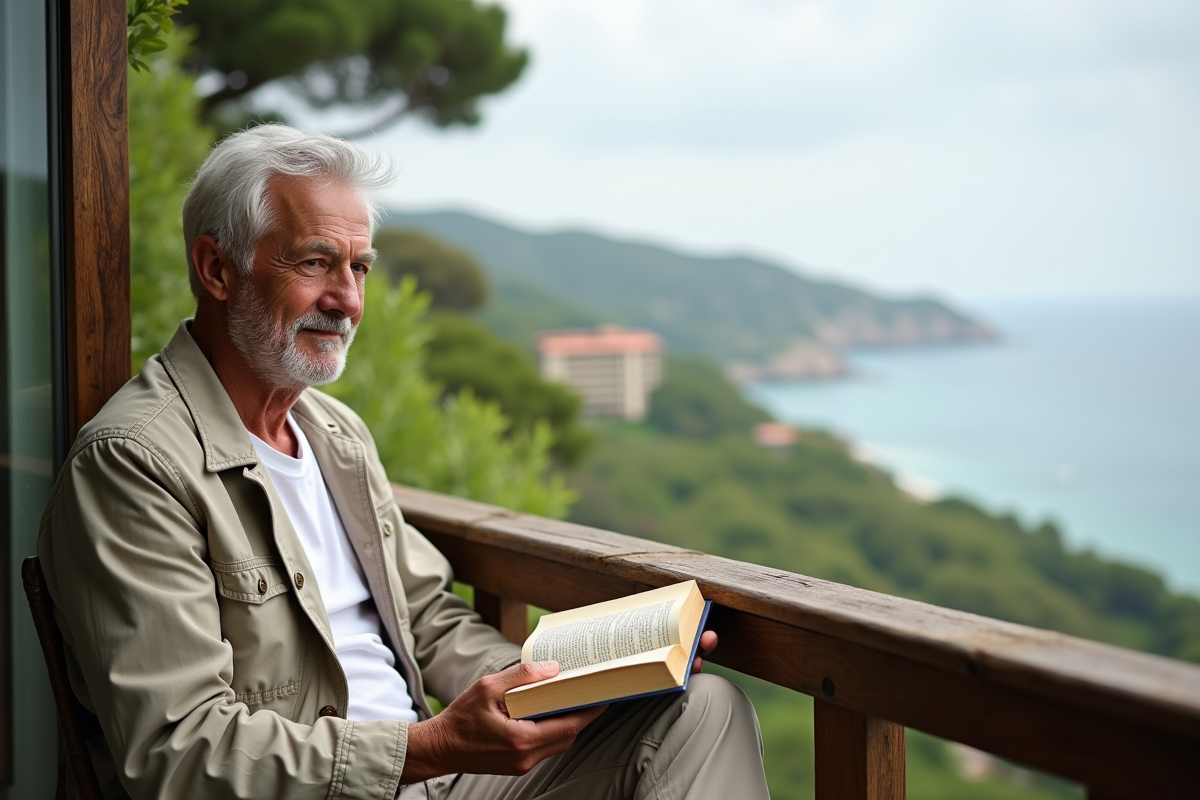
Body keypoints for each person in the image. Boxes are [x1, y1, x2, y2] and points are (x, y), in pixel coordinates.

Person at [38, 125, 769, 800]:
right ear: (217, 268)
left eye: (360, 267)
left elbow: (425, 617)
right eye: (316, 262)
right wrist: (426, 746)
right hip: (366, 778)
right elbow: (176, 749)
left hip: (432, 776)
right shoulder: (133, 463)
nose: (348, 299)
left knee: (700, 710)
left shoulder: (335, 435)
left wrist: (563, 682)